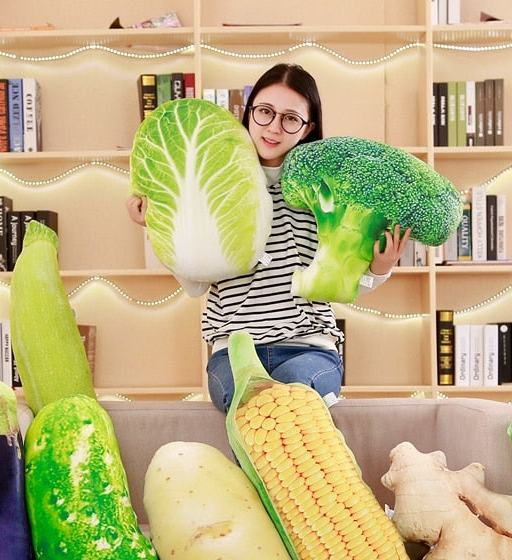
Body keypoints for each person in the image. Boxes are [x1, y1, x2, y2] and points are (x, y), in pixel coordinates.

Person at [128, 63, 409, 412]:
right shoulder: (209, 186)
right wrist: (155, 228)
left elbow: (336, 283)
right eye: (265, 112)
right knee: (257, 416)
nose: (274, 126)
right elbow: (197, 286)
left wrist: (379, 269)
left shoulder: (326, 194)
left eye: (291, 118)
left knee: (295, 408)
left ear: (309, 128)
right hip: (234, 350)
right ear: (249, 113)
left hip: (309, 347)